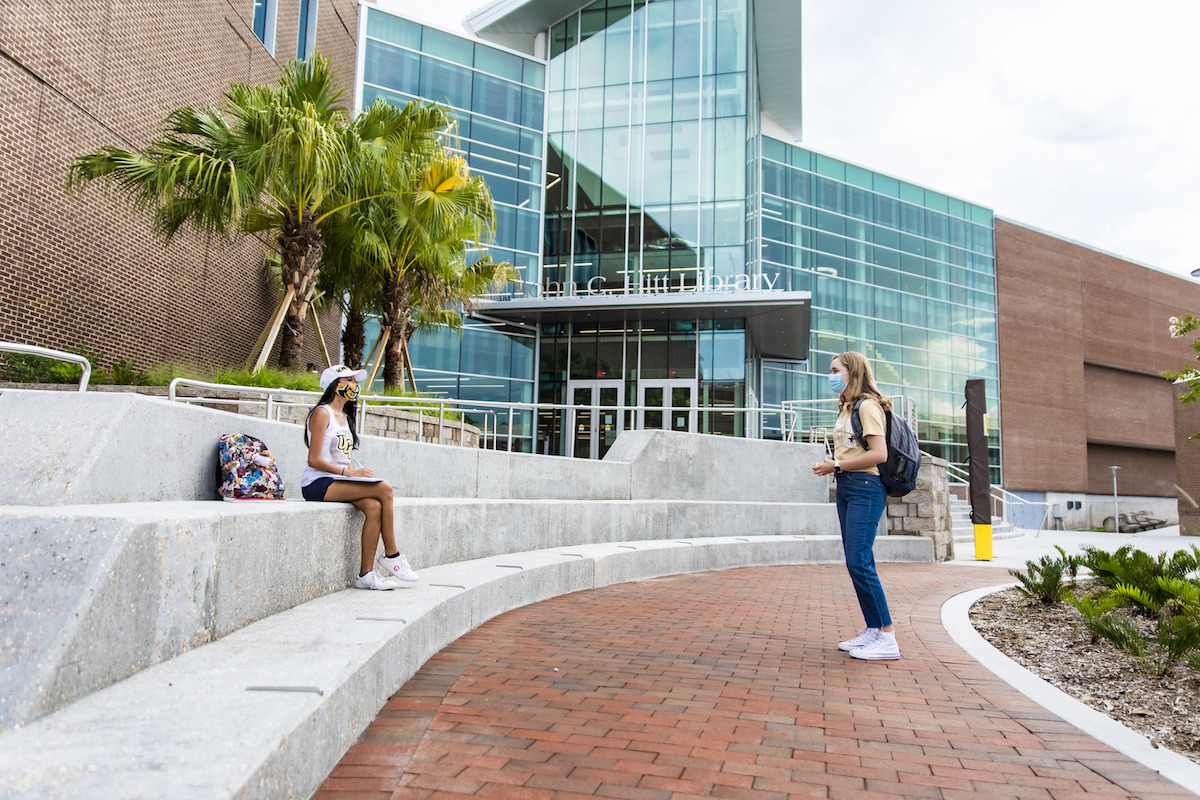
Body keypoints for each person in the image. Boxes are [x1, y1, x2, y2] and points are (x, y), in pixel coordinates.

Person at [811, 351, 900, 660]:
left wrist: (835, 465)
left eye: (836, 370)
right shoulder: (847, 407)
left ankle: (887, 636)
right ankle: (873, 629)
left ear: (852, 372)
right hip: (849, 486)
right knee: (859, 560)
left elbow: (879, 454)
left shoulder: (868, 406)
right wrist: (837, 468)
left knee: (858, 561)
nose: (831, 375)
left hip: (865, 487)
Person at [301, 364, 419, 590]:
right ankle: (392, 555)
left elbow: (341, 457)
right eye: (349, 381)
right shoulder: (321, 413)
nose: (355, 385)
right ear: (335, 386)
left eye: (355, 381)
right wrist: (349, 474)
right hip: (317, 483)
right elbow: (314, 460)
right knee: (384, 488)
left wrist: (357, 471)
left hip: (339, 480)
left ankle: (366, 575)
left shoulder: (345, 417)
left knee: (374, 507)